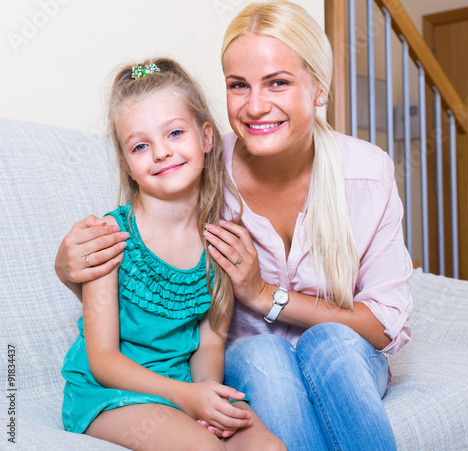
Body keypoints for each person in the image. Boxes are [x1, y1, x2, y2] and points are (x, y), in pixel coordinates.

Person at [55, 2, 413, 450]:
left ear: (320, 89)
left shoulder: (366, 173)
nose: (256, 106)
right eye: (238, 85)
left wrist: (265, 296)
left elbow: (385, 321)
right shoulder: (202, 175)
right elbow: (122, 290)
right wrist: (67, 265)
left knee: (330, 345)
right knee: (264, 354)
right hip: (245, 358)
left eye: (278, 82)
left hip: (339, 350)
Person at [60, 57, 285, 451]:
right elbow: (103, 359)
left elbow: (210, 343)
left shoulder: (222, 242)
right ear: (127, 165)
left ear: (207, 138)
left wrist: (206, 395)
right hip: (110, 393)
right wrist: (184, 399)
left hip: (184, 388)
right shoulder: (109, 237)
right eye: (141, 145)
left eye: (175, 133)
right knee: (203, 448)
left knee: (268, 447)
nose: (161, 153)